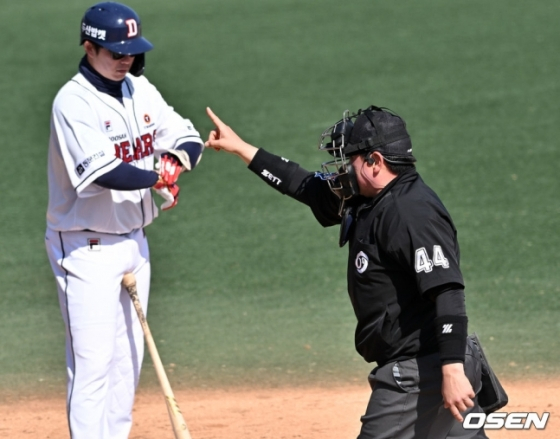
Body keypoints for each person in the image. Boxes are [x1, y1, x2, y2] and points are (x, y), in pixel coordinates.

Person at [204, 105, 488, 438]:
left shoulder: (411, 213)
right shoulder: (368, 196)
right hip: (429, 365)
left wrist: (452, 370)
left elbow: (447, 290)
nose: (342, 169)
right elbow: (303, 184)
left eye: (348, 159)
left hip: (421, 372)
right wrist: (242, 148)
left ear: (376, 162)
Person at [44, 2, 204, 438]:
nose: (125, 60)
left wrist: (174, 161)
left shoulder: (140, 89)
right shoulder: (72, 102)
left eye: (131, 51)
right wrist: (157, 176)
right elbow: (102, 171)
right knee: (93, 363)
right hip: (84, 247)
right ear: (90, 47)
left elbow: (188, 136)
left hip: (135, 242)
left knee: (128, 361)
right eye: (116, 53)